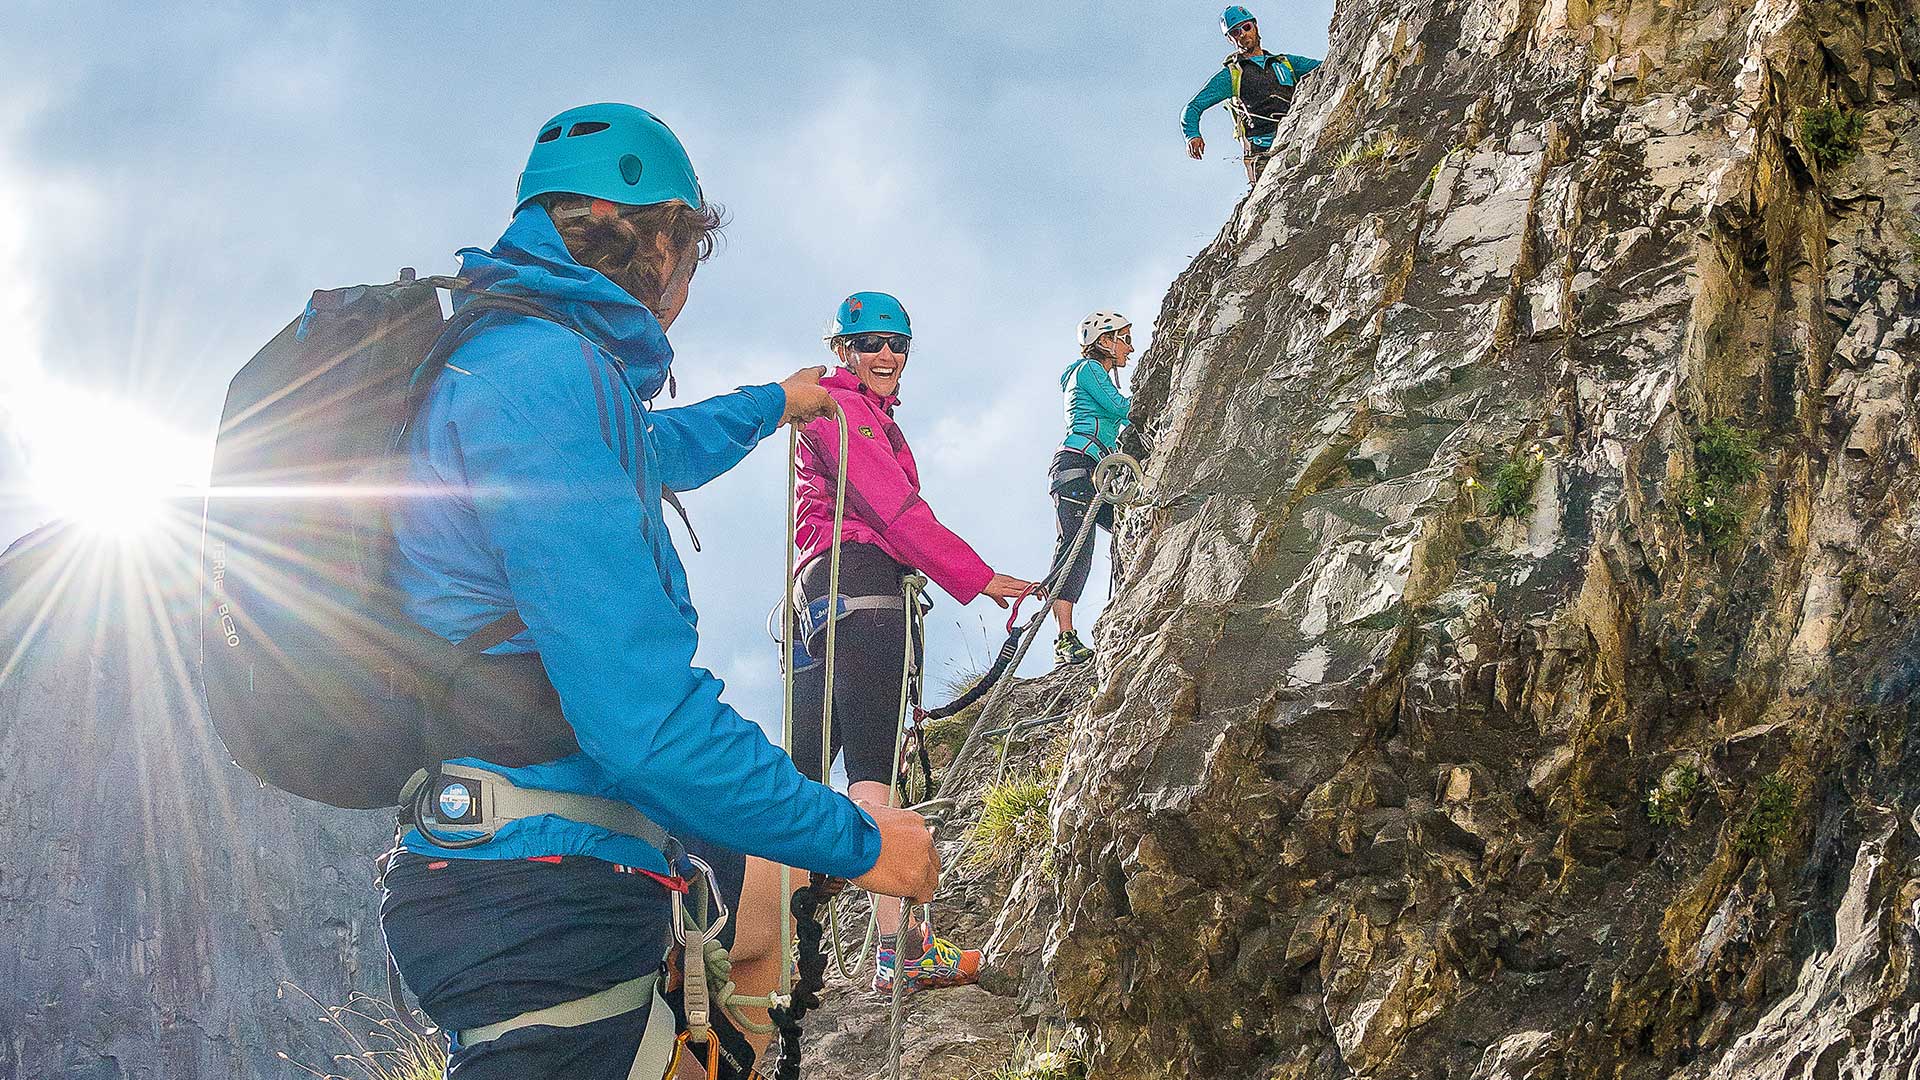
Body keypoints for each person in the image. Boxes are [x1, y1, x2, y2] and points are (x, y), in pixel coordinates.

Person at [376, 104, 939, 1080]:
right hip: (540, 893)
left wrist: (775, 404)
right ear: (644, 235)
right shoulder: (540, 376)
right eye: (688, 250)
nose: (686, 285)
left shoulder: (530, 365)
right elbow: (640, 716)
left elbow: (653, 450)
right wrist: (858, 840)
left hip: (528, 874)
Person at [788, 291, 1032, 994]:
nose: (886, 354)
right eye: (869, 344)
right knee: (872, 773)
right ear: (844, 352)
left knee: (801, 775)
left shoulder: (828, 408)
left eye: (897, 343)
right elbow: (894, 511)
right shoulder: (845, 411)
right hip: (863, 584)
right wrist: (978, 576)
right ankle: (900, 951)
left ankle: (767, 949)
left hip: (818, 599)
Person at [1049, 312, 1132, 667]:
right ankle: (1064, 637)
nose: (1129, 347)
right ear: (1104, 341)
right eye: (1123, 338)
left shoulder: (1090, 373)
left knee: (1131, 530)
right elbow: (1121, 408)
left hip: (1091, 469)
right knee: (1076, 548)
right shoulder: (1089, 371)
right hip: (1078, 469)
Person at [1182, 6, 1324, 184]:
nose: (1242, 34)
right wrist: (1192, 135)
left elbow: (1327, 66)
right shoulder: (1232, 75)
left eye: (1246, 27)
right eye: (1235, 32)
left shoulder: (1285, 63)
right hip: (1263, 153)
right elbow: (1193, 107)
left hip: (1297, 136)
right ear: (1229, 39)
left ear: (1255, 26)